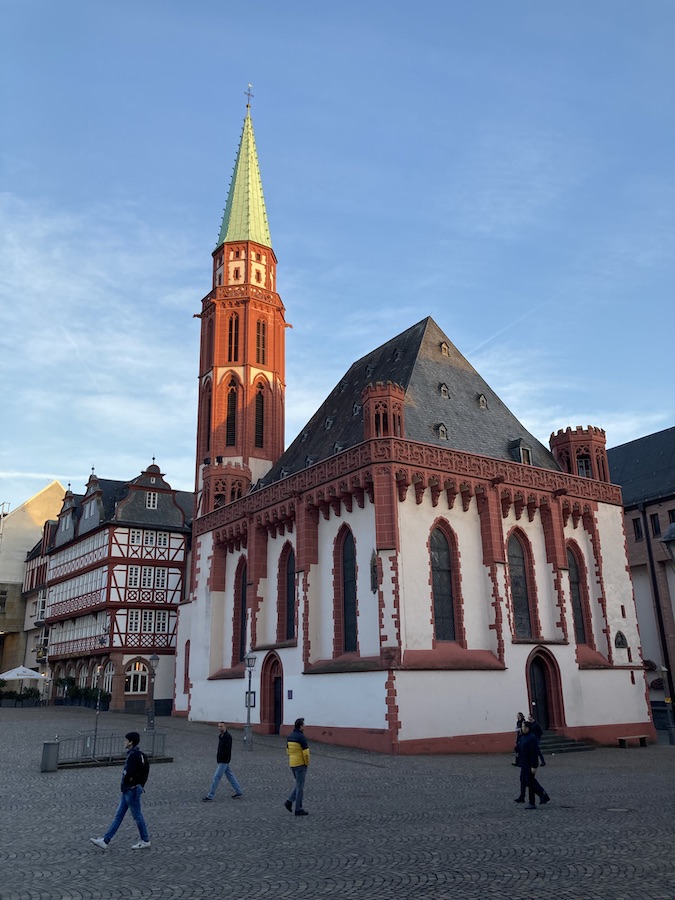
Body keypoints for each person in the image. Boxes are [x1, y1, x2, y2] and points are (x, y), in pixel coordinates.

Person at [90, 731, 151, 850]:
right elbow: (145, 771)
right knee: (119, 815)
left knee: (137, 815)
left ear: (131, 742)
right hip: (129, 790)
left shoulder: (134, 756)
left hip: (131, 790)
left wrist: (131, 783)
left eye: (126, 740)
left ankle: (145, 840)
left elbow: (131, 772)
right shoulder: (139, 755)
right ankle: (105, 840)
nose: (124, 742)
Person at [202, 721, 243, 801]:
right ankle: (239, 791)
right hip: (222, 760)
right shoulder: (221, 736)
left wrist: (223, 758)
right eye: (219, 726)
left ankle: (210, 796)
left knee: (216, 777)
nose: (219, 728)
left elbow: (227, 750)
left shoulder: (227, 737)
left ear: (225, 727)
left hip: (224, 760)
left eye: (221, 726)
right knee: (230, 777)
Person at [514, 720, 550, 809]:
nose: (521, 728)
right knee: (525, 780)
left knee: (530, 782)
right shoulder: (523, 737)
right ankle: (542, 794)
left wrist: (534, 766)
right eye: (521, 727)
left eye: (523, 727)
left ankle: (532, 802)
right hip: (523, 763)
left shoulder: (532, 738)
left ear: (527, 728)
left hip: (530, 763)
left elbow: (535, 753)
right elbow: (519, 748)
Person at [284, 717, 310, 817]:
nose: (305, 726)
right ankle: (298, 808)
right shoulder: (301, 737)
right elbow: (306, 753)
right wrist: (306, 763)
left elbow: (287, 750)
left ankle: (289, 802)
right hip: (300, 764)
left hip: (292, 763)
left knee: (299, 784)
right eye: (303, 724)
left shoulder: (290, 736)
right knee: (300, 786)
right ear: (300, 726)